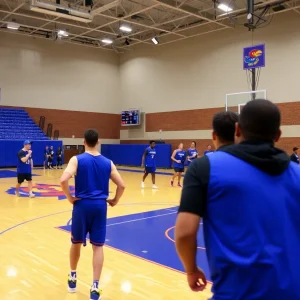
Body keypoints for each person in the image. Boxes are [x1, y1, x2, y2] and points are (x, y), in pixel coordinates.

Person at [175, 100, 300, 299]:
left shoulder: (205, 167)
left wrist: (191, 269)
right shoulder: (297, 174)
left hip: (237, 293)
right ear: (278, 135)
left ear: (237, 130)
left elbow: (184, 233)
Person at [60, 129, 125, 300]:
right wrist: (115, 201)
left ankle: (73, 278)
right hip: (99, 206)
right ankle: (95, 288)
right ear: (98, 142)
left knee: (76, 242)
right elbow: (122, 185)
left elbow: (63, 180)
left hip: (81, 205)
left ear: (84, 142)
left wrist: (70, 197)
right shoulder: (108, 162)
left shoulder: (77, 159)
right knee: (98, 246)